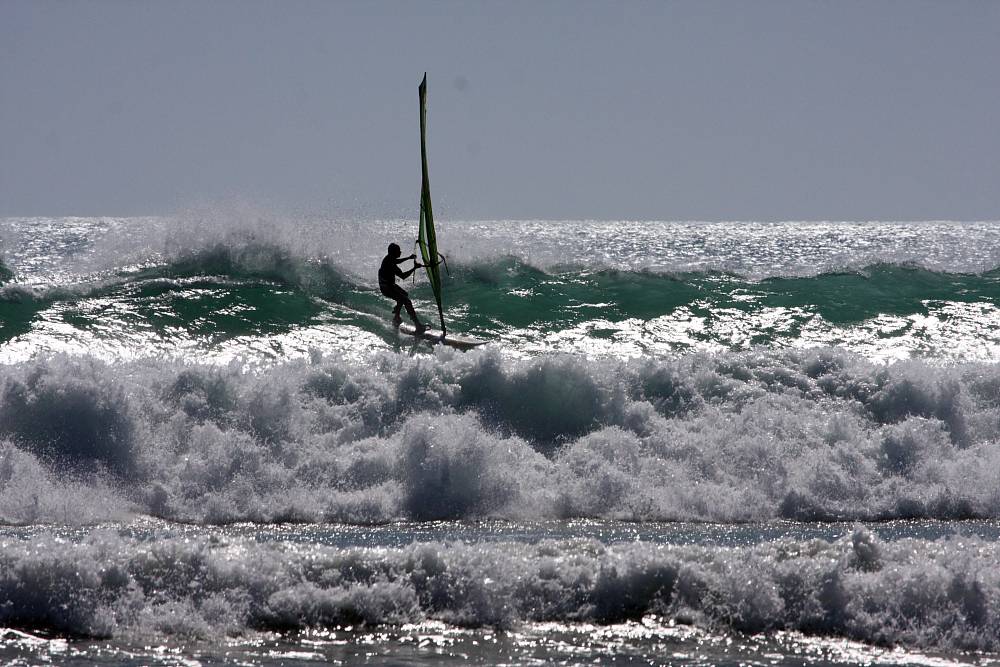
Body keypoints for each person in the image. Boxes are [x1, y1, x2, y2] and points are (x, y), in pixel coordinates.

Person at [379, 243, 426, 332]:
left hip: (388, 286)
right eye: (398, 251)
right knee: (406, 300)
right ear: (393, 253)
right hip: (387, 288)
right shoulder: (391, 264)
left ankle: (396, 317)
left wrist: (409, 258)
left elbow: (398, 261)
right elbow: (403, 276)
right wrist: (414, 268)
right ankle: (418, 326)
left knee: (404, 294)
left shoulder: (388, 258)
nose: (400, 252)